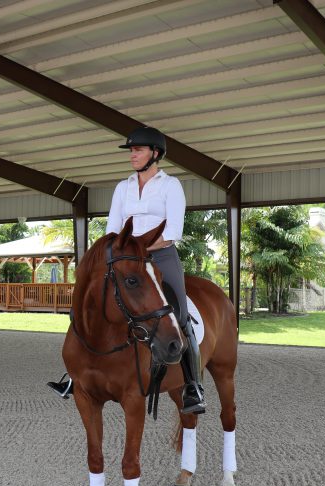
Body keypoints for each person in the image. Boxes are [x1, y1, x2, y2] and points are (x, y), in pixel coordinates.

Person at [47, 126, 206, 415]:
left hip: (161, 256)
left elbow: (173, 231)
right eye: (131, 150)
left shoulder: (171, 186)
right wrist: (121, 253)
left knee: (180, 314)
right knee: (90, 307)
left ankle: (193, 385)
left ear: (155, 154)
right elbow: (112, 229)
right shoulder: (123, 187)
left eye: (138, 150)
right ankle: (76, 375)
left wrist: (141, 249)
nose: (132, 155)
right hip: (125, 261)